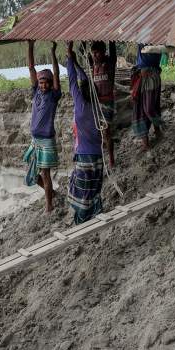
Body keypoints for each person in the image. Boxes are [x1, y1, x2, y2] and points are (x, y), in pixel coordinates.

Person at [65, 42, 105, 225]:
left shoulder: (80, 107)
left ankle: (81, 221)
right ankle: (92, 219)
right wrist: (76, 63)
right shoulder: (97, 107)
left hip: (85, 156)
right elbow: (83, 80)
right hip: (98, 156)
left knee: (82, 191)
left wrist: (69, 56)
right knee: (94, 190)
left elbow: (72, 79)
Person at [24, 40, 62, 213]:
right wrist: (30, 45)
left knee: (45, 174)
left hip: (46, 140)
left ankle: (49, 206)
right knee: (31, 173)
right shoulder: (36, 92)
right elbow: (31, 68)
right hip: (35, 140)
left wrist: (53, 52)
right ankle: (52, 194)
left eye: (46, 82)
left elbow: (56, 72)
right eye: (41, 82)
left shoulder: (54, 96)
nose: (43, 85)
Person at [89, 40, 117, 169]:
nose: (95, 55)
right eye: (93, 53)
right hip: (96, 103)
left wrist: (110, 37)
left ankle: (111, 159)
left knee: (106, 132)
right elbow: (82, 52)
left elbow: (113, 50)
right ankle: (98, 157)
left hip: (107, 102)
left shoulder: (109, 63)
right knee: (95, 132)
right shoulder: (92, 65)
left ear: (103, 52)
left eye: (97, 53)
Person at [131, 45, 165, 151]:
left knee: (149, 107)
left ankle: (159, 126)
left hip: (152, 75)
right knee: (140, 109)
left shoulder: (157, 37)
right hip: (141, 75)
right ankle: (145, 143)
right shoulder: (139, 37)